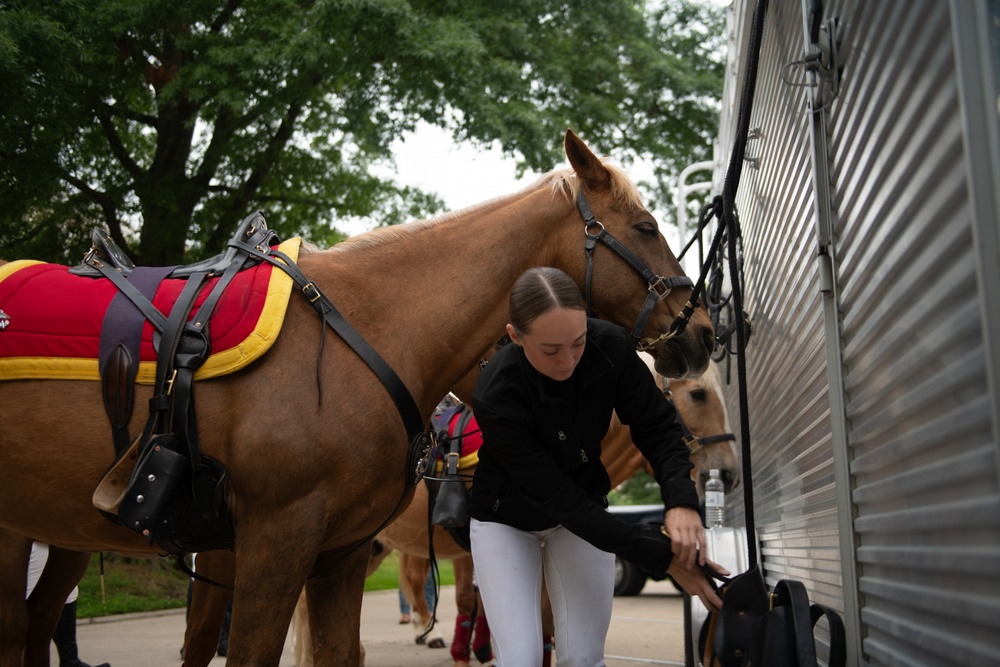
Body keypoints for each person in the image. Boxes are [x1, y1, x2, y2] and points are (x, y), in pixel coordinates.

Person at [468, 267, 727, 667]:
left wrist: (681, 502)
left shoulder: (611, 346)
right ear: (516, 336)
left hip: (582, 508)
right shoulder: (495, 393)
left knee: (584, 658)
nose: (568, 360)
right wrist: (662, 557)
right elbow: (560, 500)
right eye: (551, 350)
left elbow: (658, 428)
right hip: (505, 520)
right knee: (520, 658)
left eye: (578, 342)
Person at [27, 543, 111, 667]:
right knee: (30, 589)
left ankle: (70, 660)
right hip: (28, 537)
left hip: (51, 537)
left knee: (67, 589)